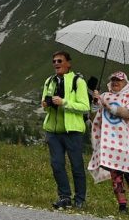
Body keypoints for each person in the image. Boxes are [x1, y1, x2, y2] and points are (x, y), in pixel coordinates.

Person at [88, 71, 129, 215]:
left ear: (125, 82)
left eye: (119, 80)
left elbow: (128, 114)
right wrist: (96, 103)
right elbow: (93, 117)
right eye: (113, 80)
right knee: (116, 178)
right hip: (110, 144)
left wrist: (108, 106)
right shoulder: (104, 96)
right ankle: (122, 206)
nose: (115, 82)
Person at [41, 50, 90, 209]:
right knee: (56, 165)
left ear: (68, 63)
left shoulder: (78, 81)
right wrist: (46, 105)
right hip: (53, 131)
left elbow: (84, 107)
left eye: (60, 61)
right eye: (54, 61)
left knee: (76, 165)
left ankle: (80, 199)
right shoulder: (49, 81)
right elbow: (45, 105)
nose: (56, 64)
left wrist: (64, 102)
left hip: (72, 131)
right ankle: (64, 197)